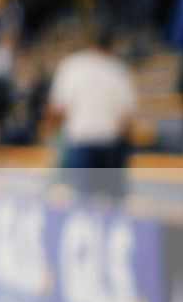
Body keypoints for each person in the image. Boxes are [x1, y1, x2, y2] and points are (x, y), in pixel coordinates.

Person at [45, 23, 138, 199]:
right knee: (111, 202)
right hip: (111, 142)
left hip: (82, 141)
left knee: (82, 200)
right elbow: (126, 115)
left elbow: (57, 109)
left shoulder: (73, 65)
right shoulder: (118, 69)